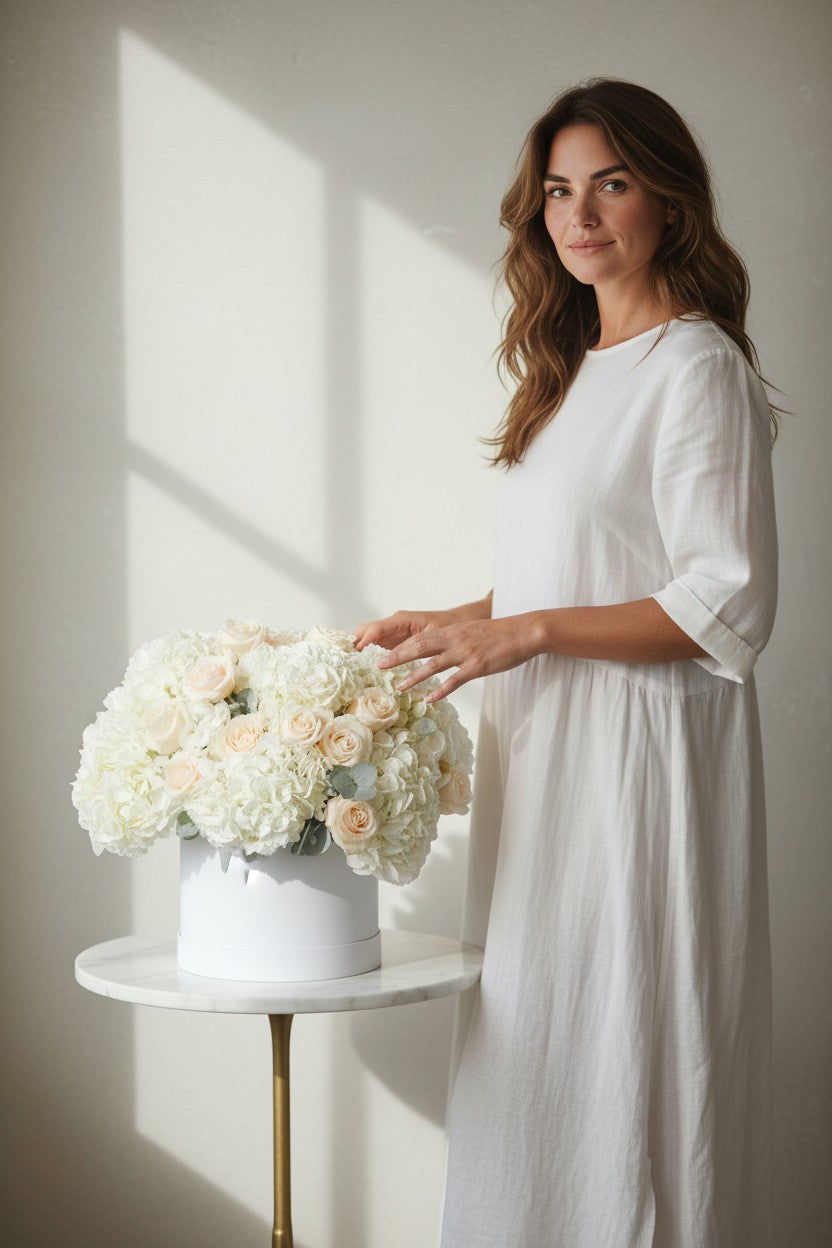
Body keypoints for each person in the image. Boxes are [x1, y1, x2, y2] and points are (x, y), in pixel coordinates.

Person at [353, 77, 781, 1248]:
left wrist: (524, 634)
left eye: (611, 183)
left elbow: (723, 596)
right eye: (557, 189)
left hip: (637, 768)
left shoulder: (695, 368)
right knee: (539, 1041)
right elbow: (581, 570)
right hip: (550, 759)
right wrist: (461, 621)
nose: (578, 214)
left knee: (622, 1040)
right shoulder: (571, 372)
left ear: (669, 204)